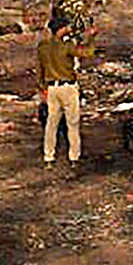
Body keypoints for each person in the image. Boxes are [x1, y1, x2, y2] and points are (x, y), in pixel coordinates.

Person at [38, 16, 92, 164]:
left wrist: (42, 88)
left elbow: (40, 70)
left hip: (51, 88)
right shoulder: (66, 45)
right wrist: (91, 37)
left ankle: (49, 156)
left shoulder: (43, 46)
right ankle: (74, 156)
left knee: (51, 124)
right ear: (61, 29)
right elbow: (88, 52)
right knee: (72, 124)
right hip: (68, 87)